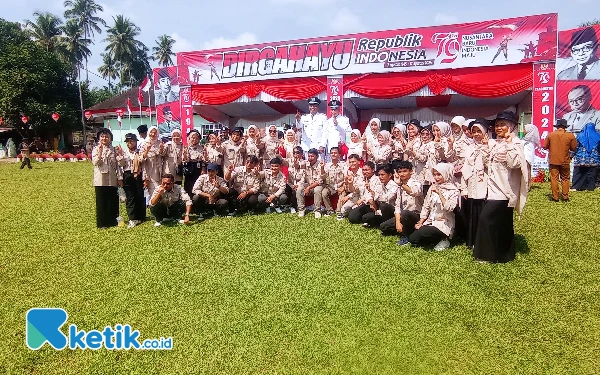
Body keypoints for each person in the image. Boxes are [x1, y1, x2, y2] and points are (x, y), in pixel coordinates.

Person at [474, 111, 528, 263]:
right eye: (497, 125)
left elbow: (514, 164)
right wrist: (485, 148)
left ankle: (486, 255)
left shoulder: (516, 143)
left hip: (505, 191)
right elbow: (487, 165)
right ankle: (505, 255)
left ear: (511, 126)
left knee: (486, 219)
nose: (499, 128)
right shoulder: (497, 143)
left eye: (502, 125)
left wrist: (510, 145)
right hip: (493, 189)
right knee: (503, 223)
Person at [406, 163, 459, 250]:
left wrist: (439, 193)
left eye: (439, 175)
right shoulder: (432, 187)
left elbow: (449, 208)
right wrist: (421, 221)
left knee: (421, 235)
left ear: (446, 174)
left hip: (443, 223)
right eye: (434, 175)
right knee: (413, 239)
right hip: (430, 221)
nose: (436, 177)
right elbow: (426, 206)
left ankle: (444, 239)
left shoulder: (453, 190)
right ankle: (434, 239)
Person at [461, 120, 490, 249]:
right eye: (474, 132)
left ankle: (483, 241)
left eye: (479, 131)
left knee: (483, 213)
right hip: (472, 184)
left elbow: (490, 166)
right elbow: (465, 169)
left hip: (485, 185)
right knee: (472, 214)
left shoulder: (491, 145)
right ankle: (472, 241)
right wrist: (464, 188)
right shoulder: (470, 147)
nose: (477, 134)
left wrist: (485, 149)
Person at [379, 161, 423, 244]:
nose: (402, 174)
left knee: (405, 213)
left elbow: (414, 192)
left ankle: (406, 235)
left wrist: (401, 184)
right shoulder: (399, 186)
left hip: (415, 215)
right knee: (383, 227)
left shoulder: (416, 183)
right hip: (403, 215)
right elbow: (397, 205)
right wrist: (398, 222)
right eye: (400, 172)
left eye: (405, 171)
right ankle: (400, 229)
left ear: (411, 172)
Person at [92, 129, 123, 229]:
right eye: (102, 136)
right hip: (100, 179)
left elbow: (119, 165)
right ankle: (102, 223)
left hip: (112, 178)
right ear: (99, 138)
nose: (104, 138)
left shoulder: (114, 149)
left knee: (113, 200)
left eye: (106, 136)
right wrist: (100, 152)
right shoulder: (96, 149)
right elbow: (96, 162)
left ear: (110, 138)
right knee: (101, 201)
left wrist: (119, 177)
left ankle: (113, 221)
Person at [543, 119, 578, 201]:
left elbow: (544, 146)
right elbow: (573, 148)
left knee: (554, 178)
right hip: (565, 160)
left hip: (553, 160)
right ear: (565, 127)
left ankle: (555, 197)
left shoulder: (551, 135)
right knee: (565, 178)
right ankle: (565, 196)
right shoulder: (570, 135)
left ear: (557, 126)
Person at [116, 133, 146, 227]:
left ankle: (141, 217)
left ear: (136, 142)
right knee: (130, 197)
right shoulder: (124, 152)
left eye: (132, 141)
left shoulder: (140, 151)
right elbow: (121, 164)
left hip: (139, 175)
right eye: (128, 142)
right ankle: (132, 218)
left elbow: (143, 161)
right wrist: (120, 154)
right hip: (128, 174)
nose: (130, 143)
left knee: (140, 195)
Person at [572, 123, 600, 191]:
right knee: (592, 174)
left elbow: (576, 147)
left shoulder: (580, 136)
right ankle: (590, 187)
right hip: (594, 160)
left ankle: (577, 186)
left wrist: (571, 155)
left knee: (579, 174)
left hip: (581, 159)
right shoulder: (598, 136)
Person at [321, 147, 347, 217]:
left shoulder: (343, 165)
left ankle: (338, 211)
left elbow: (346, 177)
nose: (333, 154)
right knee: (324, 193)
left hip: (341, 185)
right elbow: (324, 177)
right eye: (332, 153)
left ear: (339, 155)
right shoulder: (327, 165)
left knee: (343, 192)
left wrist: (342, 187)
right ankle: (330, 210)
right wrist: (322, 168)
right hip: (331, 186)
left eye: (335, 153)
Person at [141, 126, 164, 203]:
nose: (153, 134)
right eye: (151, 132)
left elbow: (163, 156)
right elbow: (141, 160)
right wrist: (147, 150)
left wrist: (161, 150)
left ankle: (160, 210)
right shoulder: (144, 143)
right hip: (150, 172)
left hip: (160, 171)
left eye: (155, 132)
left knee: (161, 192)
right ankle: (154, 209)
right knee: (153, 193)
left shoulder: (159, 142)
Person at [337, 154, 364, 219]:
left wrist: (348, 196)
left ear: (359, 162)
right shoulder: (348, 172)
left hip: (361, 195)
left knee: (353, 212)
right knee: (343, 210)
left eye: (354, 162)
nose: (352, 164)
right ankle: (339, 211)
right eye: (350, 162)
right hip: (354, 195)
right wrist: (344, 185)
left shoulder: (363, 172)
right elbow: (347, 186)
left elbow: (358, 189)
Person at [182, 129, 204, 198]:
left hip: (199, 168)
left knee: (199, 184)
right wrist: (185, 154)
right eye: (193, 138)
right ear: (189, 138)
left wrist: (203, 168)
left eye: (197, 138)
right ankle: (189, 202)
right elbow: (185, 160)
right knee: (189, 185)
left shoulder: (202, 147)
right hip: (190, 168)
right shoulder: (186, 148)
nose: (195, 140)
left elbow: (204, 160)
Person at [285, 146, 306, 214]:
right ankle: (284, 205)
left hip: (300, 184)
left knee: (296, 190)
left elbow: (304, 177)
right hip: (291, 183)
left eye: (298, 153)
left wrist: (298, 184)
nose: (296, 155)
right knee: (284, 187)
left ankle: (293, 207)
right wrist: (277, 153)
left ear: (301, 154)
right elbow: (280, 159)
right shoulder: (289, 161)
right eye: (294, 153)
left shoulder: (305, 163)